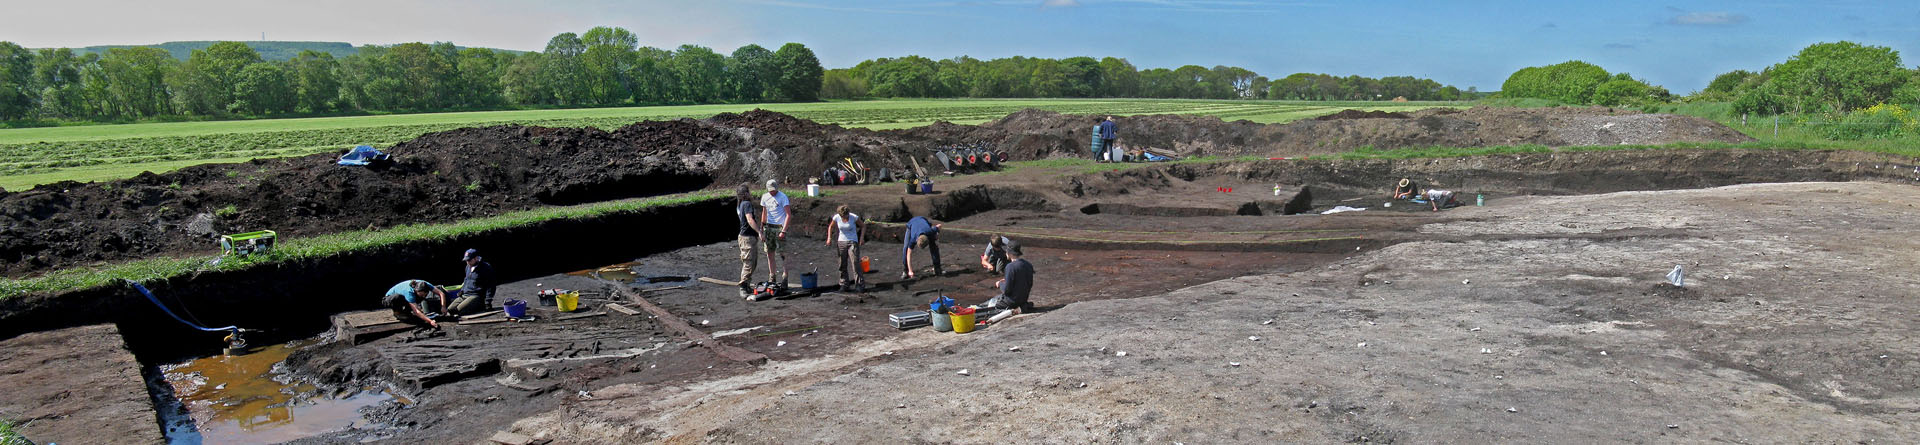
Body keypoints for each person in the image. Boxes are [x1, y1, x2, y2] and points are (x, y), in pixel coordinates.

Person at [978, 240, 1034, 324]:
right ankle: (1024, 306)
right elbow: (1029, 283)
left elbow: (1007, 291)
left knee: (988, 305)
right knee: (996, 299)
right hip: (1023, 298)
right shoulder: (1028, 265)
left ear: (1008, 252)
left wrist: (1000, 284)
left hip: (1011, 301)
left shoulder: (1010, 267)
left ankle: (1011, 310)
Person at [825, 204, 866, 292]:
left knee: (855, 263)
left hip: (852, 241)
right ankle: (844, 284)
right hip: (841, 242)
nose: (845, 218)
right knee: (842, 264)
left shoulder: (854, 217)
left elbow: (863, 226)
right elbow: (830, 227)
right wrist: (829, 238)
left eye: (846, 216)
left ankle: (859, 285)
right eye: (843, 216)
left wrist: (861, 238)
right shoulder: (836, 217)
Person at [760, 179, 792, 288]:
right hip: (768, 227)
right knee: (769, 253)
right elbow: (764, 213)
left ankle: (785, 277)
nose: (772, 192)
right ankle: (772, 276)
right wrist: (761, 229)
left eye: (773, 190)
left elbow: (788, 214)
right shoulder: (765, 197)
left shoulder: (783, 197)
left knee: (783, 254)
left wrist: (784, 230)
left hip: (779, 227)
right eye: (770, 190)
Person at [447, 249, 496, 315]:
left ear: (476, 258)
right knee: (450, 309)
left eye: (469, 260)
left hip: (476, 295)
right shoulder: (467, 267)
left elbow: (491, 286)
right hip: (465, 294)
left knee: (459, 310)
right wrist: (462, 290)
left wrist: (488, 302)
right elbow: (466, 280)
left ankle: (479, 306)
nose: (467, 262)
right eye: (466, 260)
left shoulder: (485, 267)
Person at [735, 183, 762, 299]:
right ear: (746, 194)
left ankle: (746, 285)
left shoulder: (741, 204)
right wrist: (760, 232)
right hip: (747, 238)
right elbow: (750, 220)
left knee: (752, 262)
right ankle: (743, 286)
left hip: (747, 237)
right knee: (748, 263)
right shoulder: (746, 204)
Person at [384, 279, 448, 328]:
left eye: (425, 294)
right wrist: (430, 321)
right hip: (389, 299)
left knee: (413, 311)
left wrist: (443, 306)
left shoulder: (426, 284)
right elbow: (416, 311)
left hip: (404, 298)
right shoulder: (409, 292)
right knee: (399, 298)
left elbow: (441, 293)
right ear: (417, 291)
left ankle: (406, 313)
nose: (423, 296)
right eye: (422, 294)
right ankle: (398, 313)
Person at [901, 215, 943, 279]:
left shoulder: (930, 231)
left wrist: (937, 234)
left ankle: (937, 267)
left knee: (934, 245)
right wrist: (910, 270)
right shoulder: (913, 237)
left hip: (923, 220)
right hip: (912, 223)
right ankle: (905, 270)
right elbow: (908, 253)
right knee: (906, 248)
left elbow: (939, 225)